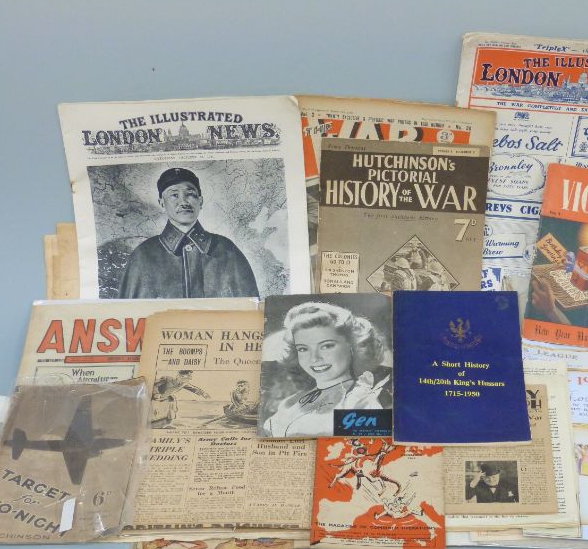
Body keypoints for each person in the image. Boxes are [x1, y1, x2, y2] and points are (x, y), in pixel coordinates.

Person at [117, 167, 259, 299]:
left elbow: (251, 309)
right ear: (162, 203)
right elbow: (128, 313)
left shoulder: (227, 250)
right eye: (174, 195)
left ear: (200, 201)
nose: (183, 202)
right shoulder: (143, 255)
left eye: (190, 194)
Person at [260, 302, 392, 437]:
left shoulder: (360, 400)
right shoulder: (292, 401)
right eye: (303, 349)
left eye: (327, 346)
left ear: (353, 346)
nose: (314, 358)